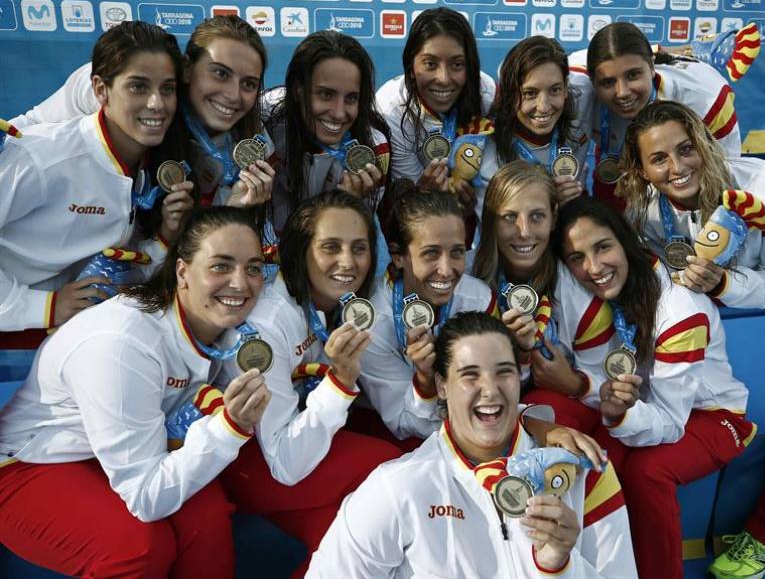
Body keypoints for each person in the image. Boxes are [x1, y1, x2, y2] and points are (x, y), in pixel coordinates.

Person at [0, 206, 270, 577]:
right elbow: (146, 497)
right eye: (221, 266)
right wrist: (231, 428)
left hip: (121, 451)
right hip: (32, 462)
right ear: (182, 272)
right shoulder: (123, 342)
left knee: (206, 519)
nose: (241, 283)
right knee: (138, 548)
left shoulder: (224, 326)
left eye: (253, 268)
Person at [617, 100, 765, 579]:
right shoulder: (644, 210)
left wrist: (722, 285)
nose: (677, 167)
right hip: (722, 279)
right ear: (641, 169)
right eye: (659, 159)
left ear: (702, 142)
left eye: (686, 150)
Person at [307, 311, 637, 578]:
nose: (490, 390)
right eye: (469, 375)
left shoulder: (581, 471)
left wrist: (558, 567)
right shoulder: (398, 487)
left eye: (503, 373)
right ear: (442, 385)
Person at [548, 196, 754, 578]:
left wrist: (606, 403)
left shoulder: (679, 312)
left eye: (602, 247)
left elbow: (669, 422)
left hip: (713, 418)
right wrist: (595, 394)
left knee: (648, 472)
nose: (593, 268)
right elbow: (612, 389)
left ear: (626, 241)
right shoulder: (615, 291)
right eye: (577, 258)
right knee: (594, 461)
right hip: (649, 407)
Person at [217, 191, 401, 578]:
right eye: (330, 247)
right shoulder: (268, 322)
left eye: (359, 248)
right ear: (301, 250)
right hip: (249, 460)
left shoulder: (342, 303)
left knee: (346, 534)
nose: (348, 262)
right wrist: (340, 381)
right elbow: (285, 462)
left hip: (299, 444)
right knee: (386, 465)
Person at [0, 21, 193, 346]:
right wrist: (44, 306)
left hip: (60, 339)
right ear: (101, 89)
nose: (157, 103)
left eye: (167, 88)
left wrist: (164, 240)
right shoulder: (42, 157)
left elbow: (110, 270)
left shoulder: (148, 165)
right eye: (138, 87)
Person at [9, 15, 275, 212]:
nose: (233, 94)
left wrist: (234, 210)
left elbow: (201, 248)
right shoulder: (116, 89)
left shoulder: (252, 142)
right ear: (186, 69)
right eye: (220, 73)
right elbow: (25, 131)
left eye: (249, 84)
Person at [358, 183, 498, 442]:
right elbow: (403, 425)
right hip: (399, 439)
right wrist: (424, 381)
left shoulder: (479, 299)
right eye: (431, 253)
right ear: (398, 256)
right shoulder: (373, 323)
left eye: (456, 252)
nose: (446, 270)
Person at [571, 22, 742, 209]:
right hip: (616, 154)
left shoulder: (707, 100)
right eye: (607, 82)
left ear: (652, 67)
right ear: (592, 81)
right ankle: (688, 49)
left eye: (633, 75)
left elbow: (727, 176)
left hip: (677, 154)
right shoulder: (578, 88)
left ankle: (696, 53)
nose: (622, 93)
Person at [474, 160, 590, 398]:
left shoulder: (579, 285)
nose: (524, 232)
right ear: (490, 221)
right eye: (508, 217)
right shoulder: (464, 279)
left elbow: (601, 381)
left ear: (554, 218)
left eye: (537, 216)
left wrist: (576, 385)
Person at [262, 30, 390, 232]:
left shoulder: (374, 148)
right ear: (297, 89)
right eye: (325, 94)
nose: (339, 114)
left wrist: (348, 207)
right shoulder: (266, 120)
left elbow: (349, 249)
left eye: (351, 98)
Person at [375, 7, 496, 190]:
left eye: (457, 64)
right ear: (411, 66)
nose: (444, 79)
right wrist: (424, 192)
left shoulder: (486, 94)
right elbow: (408, 192)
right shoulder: (391, 110)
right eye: (430, 64)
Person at [473, 36, 591, 221]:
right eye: (530, 93)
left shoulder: (584, 94)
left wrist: (652, 52)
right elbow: (501, 237)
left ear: (566, 88)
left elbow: (611, 53)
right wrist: (550, 204)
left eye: (554, 90)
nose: (543, 106)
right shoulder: (489, 157)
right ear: (510, 95)